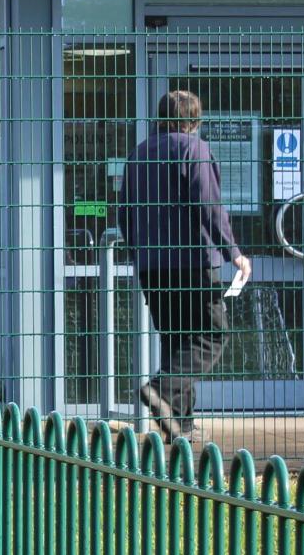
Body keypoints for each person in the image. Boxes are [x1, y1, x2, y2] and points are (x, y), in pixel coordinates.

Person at [119, 90, 252, 442]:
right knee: (213, 334)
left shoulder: (138, 154)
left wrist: (139, 253)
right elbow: (208, 206)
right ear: (195, 120)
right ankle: (160, 390)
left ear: (160, 116)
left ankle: (180, 427)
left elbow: (124, 213)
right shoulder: (194, 150)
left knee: (176, 340)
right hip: (192, 263)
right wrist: (233, 252)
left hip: (152, 265)